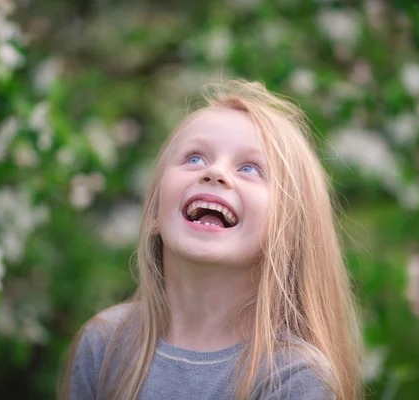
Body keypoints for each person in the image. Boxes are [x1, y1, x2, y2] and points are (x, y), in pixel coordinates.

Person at [60, 79, 362, 400]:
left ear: (288, 232)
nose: (215, 173)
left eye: (250, 168)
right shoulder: (104, 344)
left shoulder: (293, 376)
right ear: (153, 212)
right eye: (194, 159)